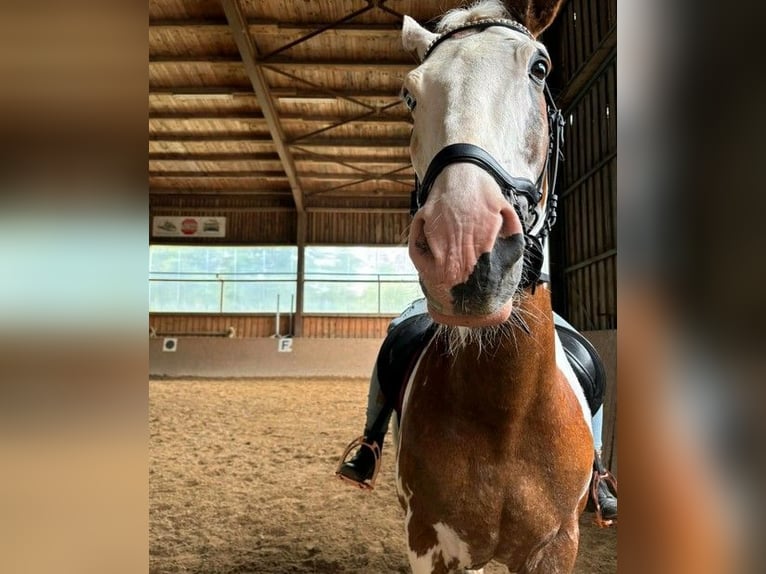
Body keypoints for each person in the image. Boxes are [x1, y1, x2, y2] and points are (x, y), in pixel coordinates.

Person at [336, 298, 617, 522]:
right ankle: (371, 443)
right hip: (448, 287)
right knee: (398, 339)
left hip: (522, 288)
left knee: (583, 355)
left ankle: (596, 470)